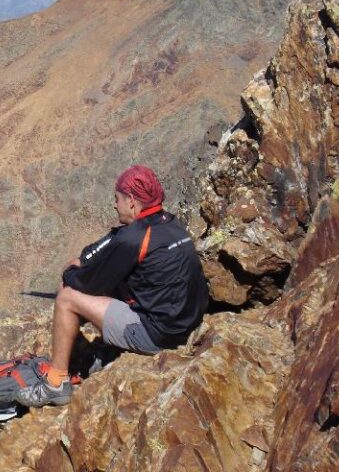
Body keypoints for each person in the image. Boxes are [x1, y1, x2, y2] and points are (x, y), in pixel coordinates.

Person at [17, 165, 209, 407]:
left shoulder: (133, 238)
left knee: (67, 298)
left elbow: (85, 283)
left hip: (158, 335)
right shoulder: (171, 224)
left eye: (116, 199)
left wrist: (71, 270)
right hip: (188, 323)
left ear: (131, 201)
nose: (114, 205)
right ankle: (105, 352)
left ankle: (56, 384)